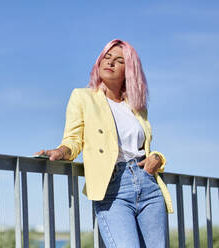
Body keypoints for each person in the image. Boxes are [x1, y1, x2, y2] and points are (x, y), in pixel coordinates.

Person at [34, 39, 173, 248]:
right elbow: (73, 139)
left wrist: (158, 158)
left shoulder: (137, 107)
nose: (110, 63)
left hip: (147, 184)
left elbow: (142, 147)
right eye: (106, 57)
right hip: (113, 187)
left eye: (119, 60)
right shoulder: (83, 97)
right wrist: (61, 151)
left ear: (130, 70)